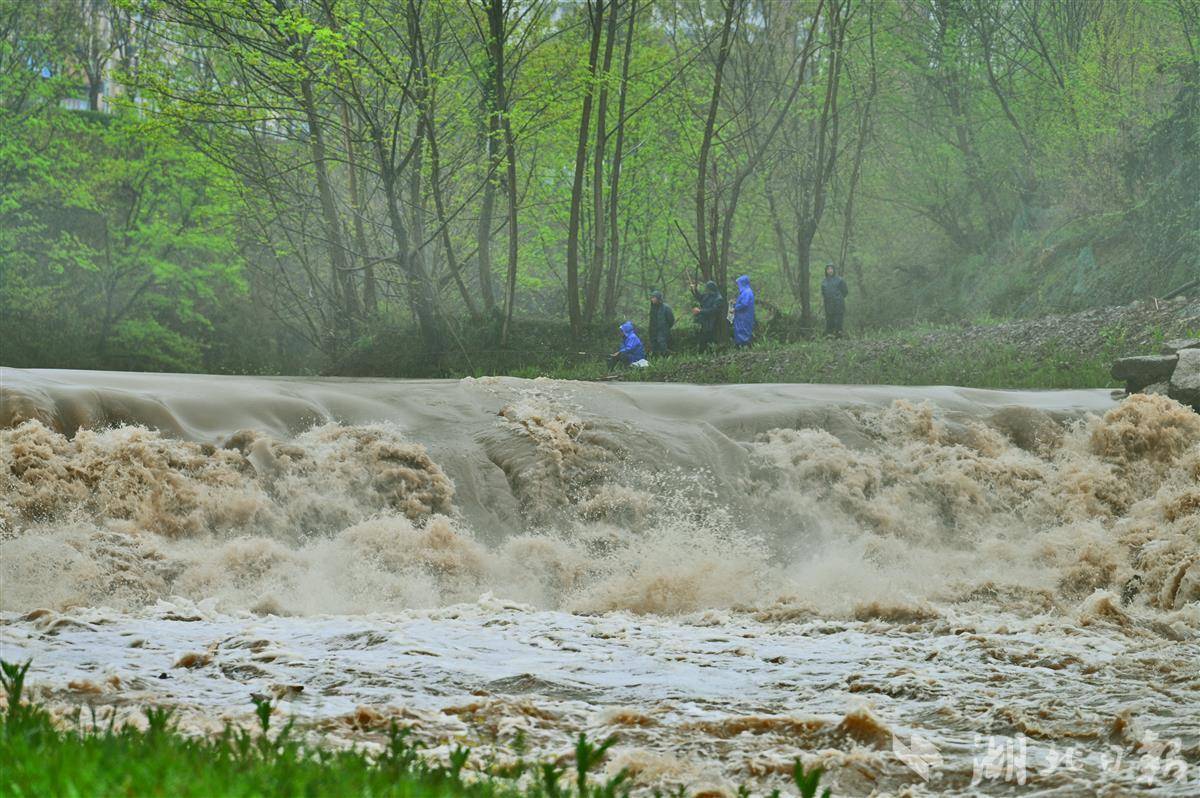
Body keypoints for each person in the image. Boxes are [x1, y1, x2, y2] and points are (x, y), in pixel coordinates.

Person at [691, 280, 723, 350]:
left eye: (708, 289)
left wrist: (700, 311)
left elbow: (713, 311)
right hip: (704, 322)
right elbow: (700, 298)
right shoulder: (708, 295)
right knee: (702, 339)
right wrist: (694, 290)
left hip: (713, 323)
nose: (707, 290)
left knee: (710, 340)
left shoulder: (718, 298)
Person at [821, 264, 849, 338]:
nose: (830, 271)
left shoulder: (840, 280)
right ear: (826, 271)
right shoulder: (824, 282)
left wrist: (838, 298)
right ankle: (829, 335)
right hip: (828, 304)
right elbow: (823, 293)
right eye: (828, 269)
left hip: (838, 303)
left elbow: (845, 291)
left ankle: (839, 334)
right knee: (829, 320)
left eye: (831, 269)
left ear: (834, 270)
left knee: (838, 320)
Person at [647, 290, 675, 356]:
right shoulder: (652, 308)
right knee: (654, 347)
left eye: (654, 297)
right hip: (653, 331)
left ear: (658, 298)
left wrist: (665, 328)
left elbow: (671, 320)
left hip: (662, 331)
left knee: (662, 346)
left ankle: (665, 360)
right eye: (652, 297)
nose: (652, 299)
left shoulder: (666, 308)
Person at [732, 274, 755, 347]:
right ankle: (741, 345)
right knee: (741, 330)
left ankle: (743, 346)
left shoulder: (747, 292)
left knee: (743, 331)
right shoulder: (745, 292)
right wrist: (736, 302)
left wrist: (735, 308)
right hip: (742, 316)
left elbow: (744, 304)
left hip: (744, 316)